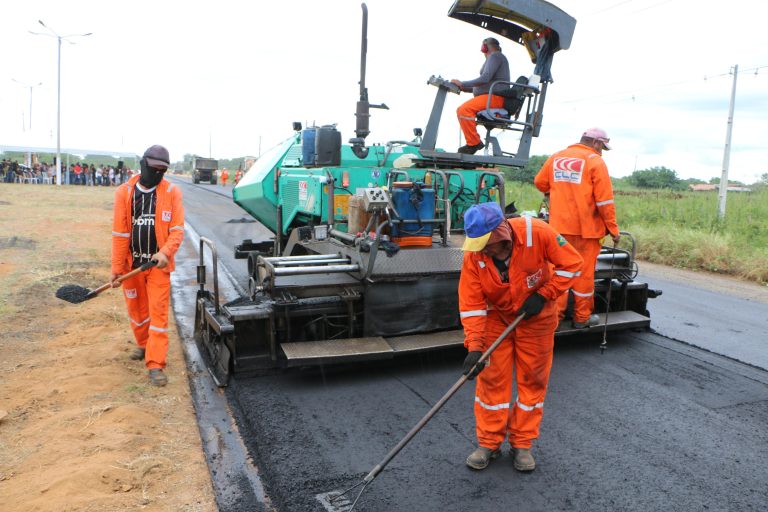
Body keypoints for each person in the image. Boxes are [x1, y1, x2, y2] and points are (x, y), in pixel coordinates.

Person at [459, 202, 583, 472]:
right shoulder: (474, 256)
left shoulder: (537, 232)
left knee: (533, 381)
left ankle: (522, 444)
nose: (482, 250)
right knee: (491, 381)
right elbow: (472, 305)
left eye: (486, 243)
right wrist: (475, 347)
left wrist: (545, 294)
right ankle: (489, 443)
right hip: (496, 318)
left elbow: (573, 264)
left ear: (501, 231)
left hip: (536, 318)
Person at [110, 145, 184, 387]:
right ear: (143, 165)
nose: (158, 174)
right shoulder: (125, 192)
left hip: (157, 268)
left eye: (163, 170)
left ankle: (155, 363)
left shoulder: (172, 192)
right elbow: (120, 234)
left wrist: (165, 252)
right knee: (137, 311)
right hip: (132, 265)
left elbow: (176, 230)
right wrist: (117, 268)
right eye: (154, 169)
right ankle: (143, 345)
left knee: (158, 315)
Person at [534, 127, 621, 328]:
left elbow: (540, 183)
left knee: (559, 271)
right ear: (596, 143)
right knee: (583, 274)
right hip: (587, 232)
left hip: (558, 229)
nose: (601, 152)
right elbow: (604, 201)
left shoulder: (557, 157)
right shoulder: (594, 161)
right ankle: (581, 318)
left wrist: (558, 190)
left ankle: (554, 318)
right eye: (602, 148)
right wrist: (613, 229)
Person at [450, 37, 510, 154]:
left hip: (495, 97)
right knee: (463, 109)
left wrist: (462, 83)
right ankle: (473, 142)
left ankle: (473, 143)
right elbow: (483, 84)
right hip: (490, 97)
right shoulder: (496, 57)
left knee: (464, 110)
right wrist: (462, 87)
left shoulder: (495, 56)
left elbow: (485, 78)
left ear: (484, 47)